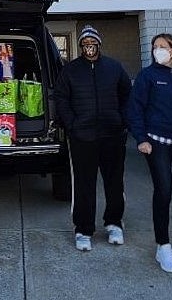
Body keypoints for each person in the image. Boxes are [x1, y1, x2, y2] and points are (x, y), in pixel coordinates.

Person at [54, 25, 131, 252]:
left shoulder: (115, 68)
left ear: (99, 44)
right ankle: (83, 229)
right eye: (85, 43)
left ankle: (114, 223)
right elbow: (61, 99)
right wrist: (72, 125)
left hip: (112, 135)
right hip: (82, 137)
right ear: (80, 46)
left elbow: (127, 96)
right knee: (83, 184)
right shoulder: (70, 70)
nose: (89, 47)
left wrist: (122, 121)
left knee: (114, 182)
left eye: (92, 42)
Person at [128, 33, 172, 273]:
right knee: (164, 191)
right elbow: (135, 109)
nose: (158, 50)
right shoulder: (148, 77)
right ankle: (163, 246)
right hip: (158, 143)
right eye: (155, 47)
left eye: (163, 47)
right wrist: (141, 138)